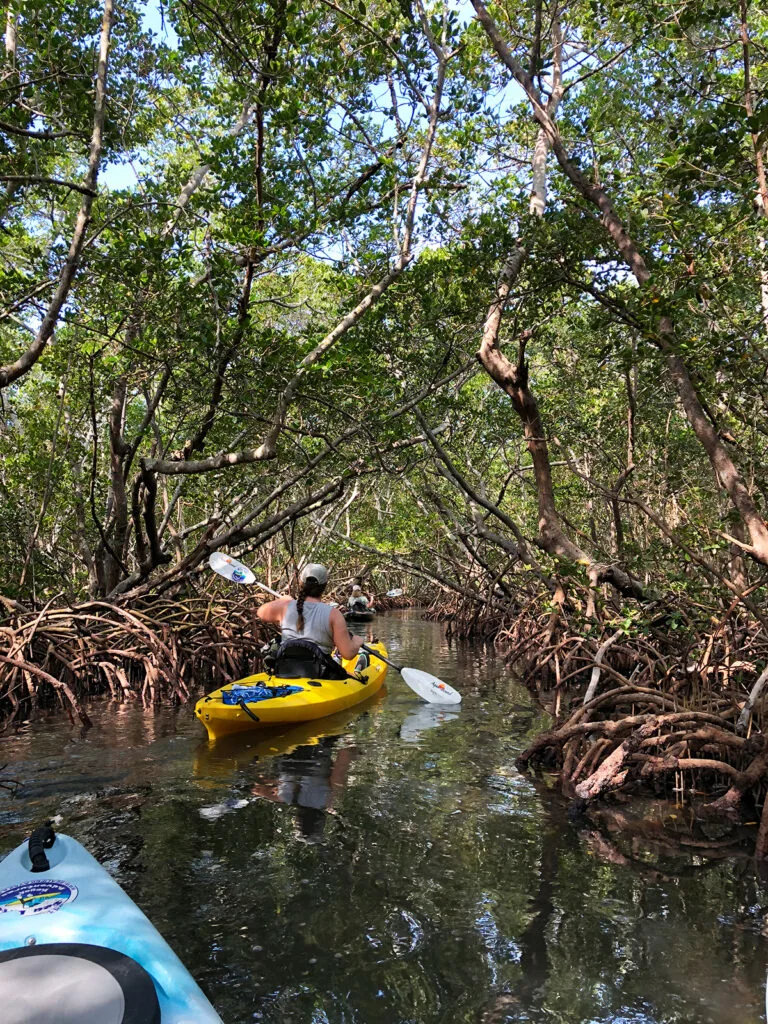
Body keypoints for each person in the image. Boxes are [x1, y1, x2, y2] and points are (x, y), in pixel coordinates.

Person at [257, 563, 366, 676]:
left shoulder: (285, 607)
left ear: (301, 583)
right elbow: (348, 654)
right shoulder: (334, 614)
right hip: (319, 675)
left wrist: (282, 602)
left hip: (286, 670)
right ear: (325, 586)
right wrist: (357, 642)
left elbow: (260, 612)